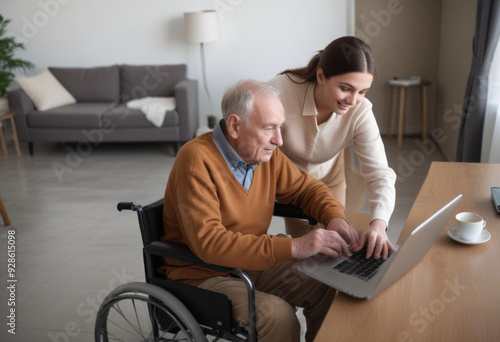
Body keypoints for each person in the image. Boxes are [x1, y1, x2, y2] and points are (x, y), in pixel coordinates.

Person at [161, 79, 360, 342]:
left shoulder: (264, 154)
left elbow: (308, 189)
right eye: (269, 128)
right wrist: (295, 247)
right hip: (203, 274)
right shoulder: (196, 162)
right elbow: (210, 244)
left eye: (280, 127)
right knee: (278, 317)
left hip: (247, 263)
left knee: (328, 280)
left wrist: (335, 218)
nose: (278, 140)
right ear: (235, 125)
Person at [268, 36, 397, 260]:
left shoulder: (361, 111)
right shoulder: (281, 91)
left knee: (335, 251)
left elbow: (380, 175)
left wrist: (378, 224)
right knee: (304, 257)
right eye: (346, 88)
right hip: (288, 181)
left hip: (329, 176)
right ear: (321, 76)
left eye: (363, 91)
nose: (353, 100)